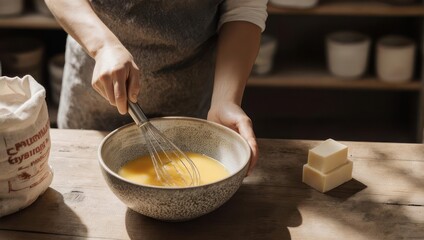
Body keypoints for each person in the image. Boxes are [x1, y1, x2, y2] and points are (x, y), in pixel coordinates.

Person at [45, 0, 267, 174]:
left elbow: (243, 9)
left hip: (189, 104)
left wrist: (225, 100)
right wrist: (102, 46)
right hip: (94, 106)